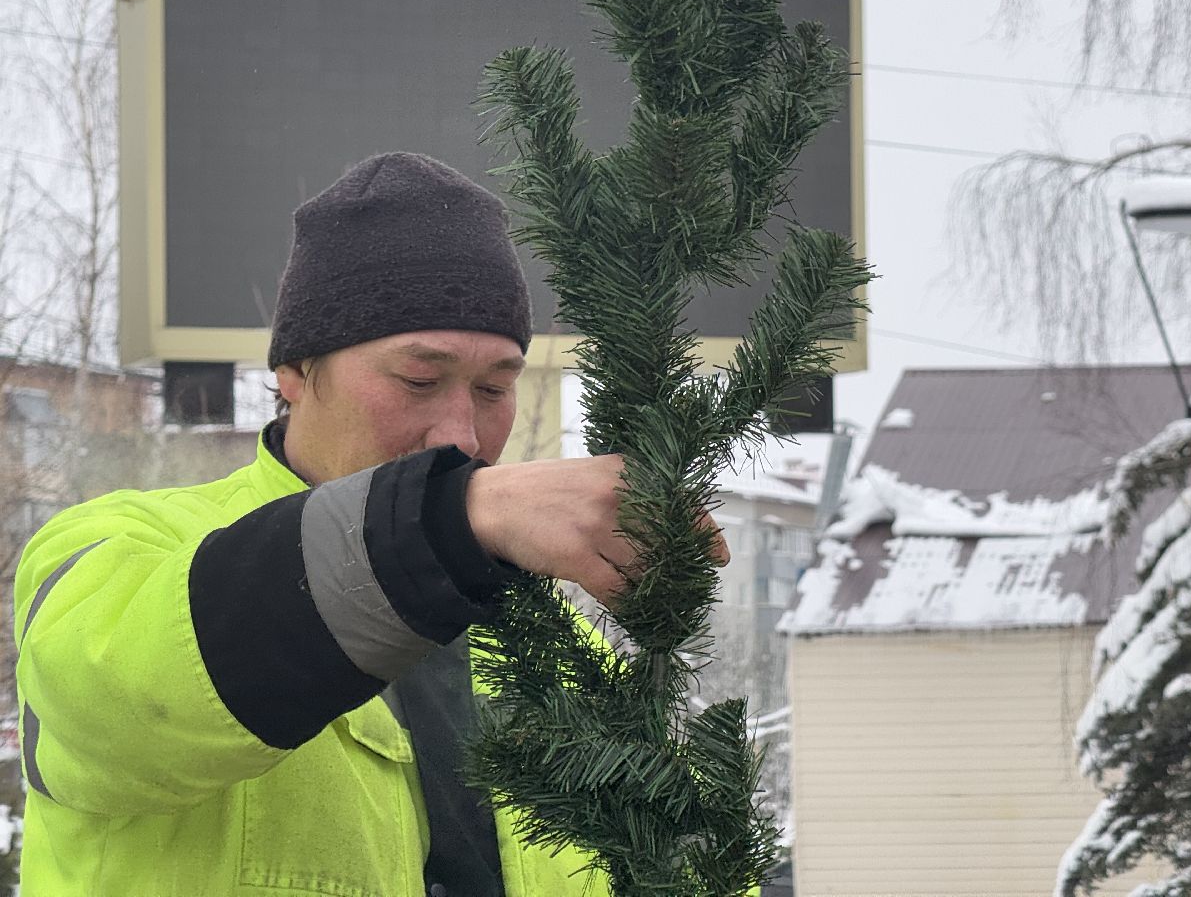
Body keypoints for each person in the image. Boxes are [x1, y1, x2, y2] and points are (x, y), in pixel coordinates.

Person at [13, 152, 720, 896]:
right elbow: (120, 710)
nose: (462, 435)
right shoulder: (118, 549)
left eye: (493, 387)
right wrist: (445, 520)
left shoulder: (565, 657)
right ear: (293, 373)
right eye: (419, 379)